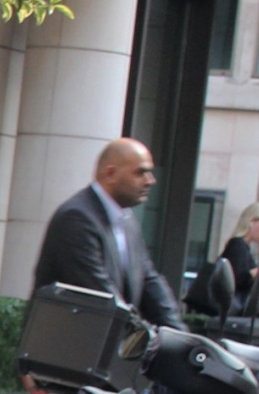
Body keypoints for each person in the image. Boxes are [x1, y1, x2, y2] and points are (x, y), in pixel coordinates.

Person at [31, 137, 182, 326]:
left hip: (104, 348)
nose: (150, 181)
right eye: (140, 172)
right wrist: (144, 337)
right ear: (110, 174)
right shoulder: (76, 218)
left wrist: (181, 337)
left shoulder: (128, 222)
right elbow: (101, 297)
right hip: (66, 349)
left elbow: (150, 282)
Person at [194, 200, 259, 321]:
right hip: (234, 316)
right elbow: (238, 279)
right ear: (251, 222)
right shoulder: (237, 245)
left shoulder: (243, 247)